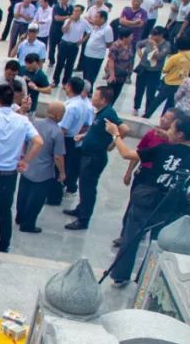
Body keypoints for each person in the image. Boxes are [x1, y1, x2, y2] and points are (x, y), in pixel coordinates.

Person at [105, 111, 190, 286]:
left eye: (172, 129)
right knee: (159, 244)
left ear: (180, 134)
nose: (169, 133)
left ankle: (120, 275)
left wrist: (115, 134)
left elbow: (127, 154)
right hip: (173, 207)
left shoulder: (163, 149)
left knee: (131, 237)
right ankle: (147, 278)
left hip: (149, 201)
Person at [0, 83, 43, 253]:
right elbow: (38, 142)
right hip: (10, 173)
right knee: (5, 210)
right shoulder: (22, 120)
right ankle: (4, 243)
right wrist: (26, 160)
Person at [64, 86, 129, 231]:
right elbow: (96, 131)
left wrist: (113, 143)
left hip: (95, 157)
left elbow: (125, 129)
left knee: (88, 188)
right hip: (88, 154)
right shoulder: (100, 113)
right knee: (83, 185)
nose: (92, 98)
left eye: (95, 96)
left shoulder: (109, 113)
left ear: (103, 100)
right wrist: (84, 136)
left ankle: (83, 220)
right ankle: (81, 208)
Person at [16, 101, 66, 234]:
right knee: (36, 199)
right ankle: (28, 224)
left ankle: (19, 217)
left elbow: (26, 141)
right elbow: (58, 156)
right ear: (58, 115)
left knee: (23, 194)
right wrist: (62, 172)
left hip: (28, 166)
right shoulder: (57, 132)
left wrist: (24, 157)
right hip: (43, 171)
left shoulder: (35, 124)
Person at [134, 27, 171, 118]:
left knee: (151, 92)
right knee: (139, 89)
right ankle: (136, 107)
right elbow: (138, 44)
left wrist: (155, 46)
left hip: (154, 71)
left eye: (155, 35)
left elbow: (159, 56)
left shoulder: (166, 45)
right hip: (143, 68)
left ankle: (148, 111)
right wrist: (139, 52)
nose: (152, 37)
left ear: (161, 35)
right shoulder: (149, 40)